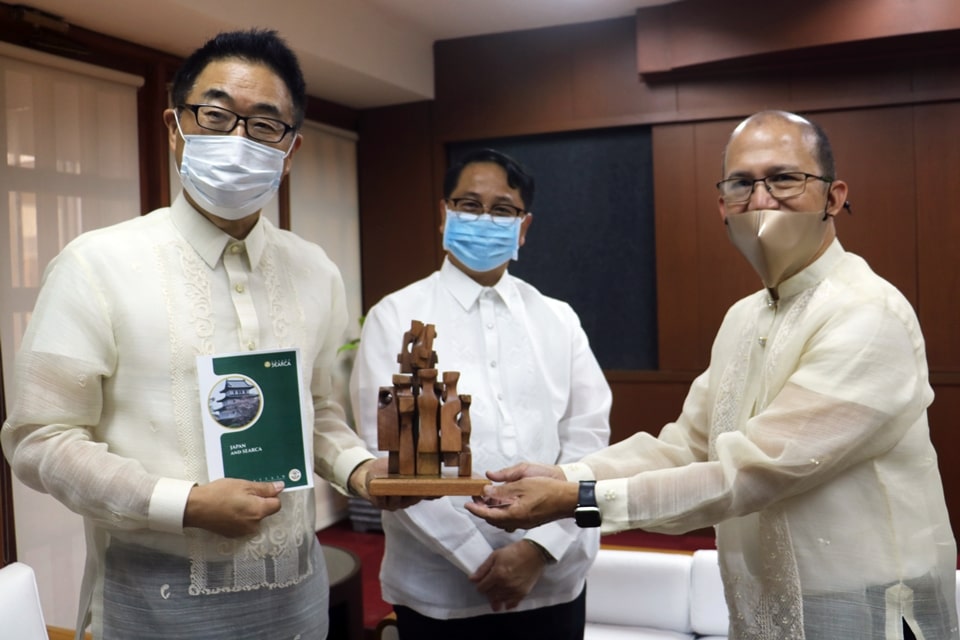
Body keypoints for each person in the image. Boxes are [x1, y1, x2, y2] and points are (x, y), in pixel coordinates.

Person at [466, 111, 959, 640]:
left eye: (785, 178)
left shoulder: (868, 311)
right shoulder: (743, 318)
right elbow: (687, 445)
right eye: (742, 184)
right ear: (722, 205)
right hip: (759, 608)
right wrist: (564, 475)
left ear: (834, 197)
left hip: (865, 610)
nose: (762, 199)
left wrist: (577, 500)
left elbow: (753, 471)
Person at [1, 29, 410, 640]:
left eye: (265, 124)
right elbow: (42, 439)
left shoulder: (316, 271)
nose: (237, 139)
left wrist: (358, 472)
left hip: (296, 601)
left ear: (289, 149)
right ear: (175, 127)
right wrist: (183, 502)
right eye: (216, 115)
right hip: (152, 605)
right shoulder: (96, 264)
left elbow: (316, 408)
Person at [350, 148, 611, 639]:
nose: (483, 218)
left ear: (524, 226)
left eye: (502, 209)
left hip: (552, 580)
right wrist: (480, 561)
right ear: (444, 214)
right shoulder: (395, 316)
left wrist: (538, 550)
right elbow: (389, 458)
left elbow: (589, 444)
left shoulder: (559, 318)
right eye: (468, 205)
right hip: (440, 591)